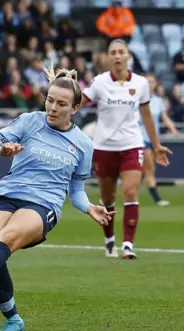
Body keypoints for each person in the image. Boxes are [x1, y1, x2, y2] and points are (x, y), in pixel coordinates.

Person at [0, 60, 114, 331]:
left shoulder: (83, 144)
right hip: (8, 194)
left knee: (6, 238)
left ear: (75, 108)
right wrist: (2, 149)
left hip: (44, 204)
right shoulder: (29, 121)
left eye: (61, 104)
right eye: (49, 100)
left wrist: (89, 208)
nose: (52, 108)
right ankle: (13, 320)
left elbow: (76, 190)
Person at [81, 39, 172, 259]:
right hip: (104, 147)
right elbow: (79, 102)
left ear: (128, 56)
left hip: (132, 145)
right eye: (113, 52)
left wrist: (156, 145)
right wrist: (62, 97)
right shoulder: (100, 82)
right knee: (108, 197)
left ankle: (128, 244)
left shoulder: (140, 83)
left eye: (121, 52)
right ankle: (109, 240)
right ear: (108, 57)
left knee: (130, 192)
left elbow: (148, 116)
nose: (118, 56)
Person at [140, 73, 179, 207]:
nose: (149, 84)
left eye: (152, 81)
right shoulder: (137, 100)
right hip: (140, 138)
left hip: (153, 139)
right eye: (147, 81)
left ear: (155, 83)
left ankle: (126, 193)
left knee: (143, 171)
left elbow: (164, 117)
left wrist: (172, 128)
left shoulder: (158, 101)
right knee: (149, 169)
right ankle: (157, 199)